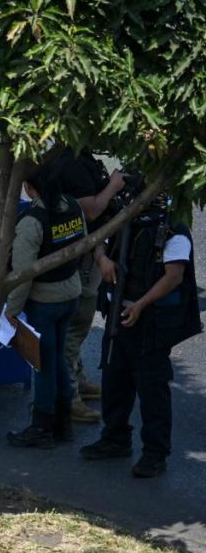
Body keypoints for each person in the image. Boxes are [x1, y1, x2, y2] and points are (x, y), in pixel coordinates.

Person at [80, 194, 202, 477]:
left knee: (152, 389)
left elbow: (174, 276)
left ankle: (155, 453)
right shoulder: (125, 217)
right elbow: (98, 237)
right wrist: (102, 260)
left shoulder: (173, 228)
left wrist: (141, 305)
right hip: (119, 315)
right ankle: (115, 438)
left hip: (151, 323)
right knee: (114, 379)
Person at [5, 166, 86, 449]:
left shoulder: (32, 221)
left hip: (44, 303)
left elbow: (23, 273)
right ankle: (63, 423)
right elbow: (82, 245)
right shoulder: (73, 206)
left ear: (31, 188)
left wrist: (11, 311)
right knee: (57, 359)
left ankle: (42, 426)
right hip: (71, 293)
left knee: (43, 366)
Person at [54, 150, 127, 424]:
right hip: (84, 257)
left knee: (79, 328)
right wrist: (113, 186)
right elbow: (91, 209)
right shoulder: (72, 164)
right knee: (75, 327)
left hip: (91, 252)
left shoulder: (79, 158)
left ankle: (78, 380)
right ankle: (70, 396)